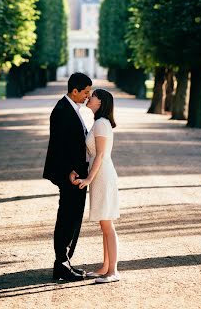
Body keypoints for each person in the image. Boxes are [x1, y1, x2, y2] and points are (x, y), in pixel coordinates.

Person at [43, 72, 92, 281]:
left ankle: (64, 262)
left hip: (76, 174)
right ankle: (61, 264)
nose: (88, 96)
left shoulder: (71, 108)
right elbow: (58, 147)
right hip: (70, 176)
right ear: (75, 91)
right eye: (86, 92)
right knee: (67, 218)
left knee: (72, 218)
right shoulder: (62, 110)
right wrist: (68, 171)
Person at [76, 88, 120, 283]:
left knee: (108, 225)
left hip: (102, 175)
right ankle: (105, 267)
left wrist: (88, 179)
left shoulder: (101, 124)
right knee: (105, 224)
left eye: (92, 96)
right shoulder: (99, 122)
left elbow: (100, 154)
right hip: (100, 174)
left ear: (100, 102)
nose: (88, 97)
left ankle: (113, 271)